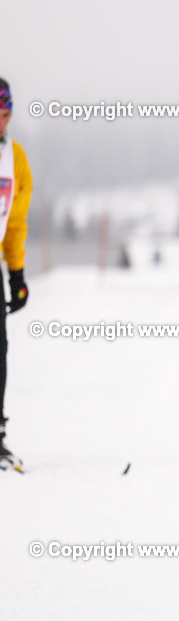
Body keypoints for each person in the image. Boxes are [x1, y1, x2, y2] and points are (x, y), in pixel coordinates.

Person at [0, 77, 33, 473]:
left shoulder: (15, 158)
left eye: (6, 115)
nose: (1, 122)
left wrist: (17, 274)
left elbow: (15, 222)